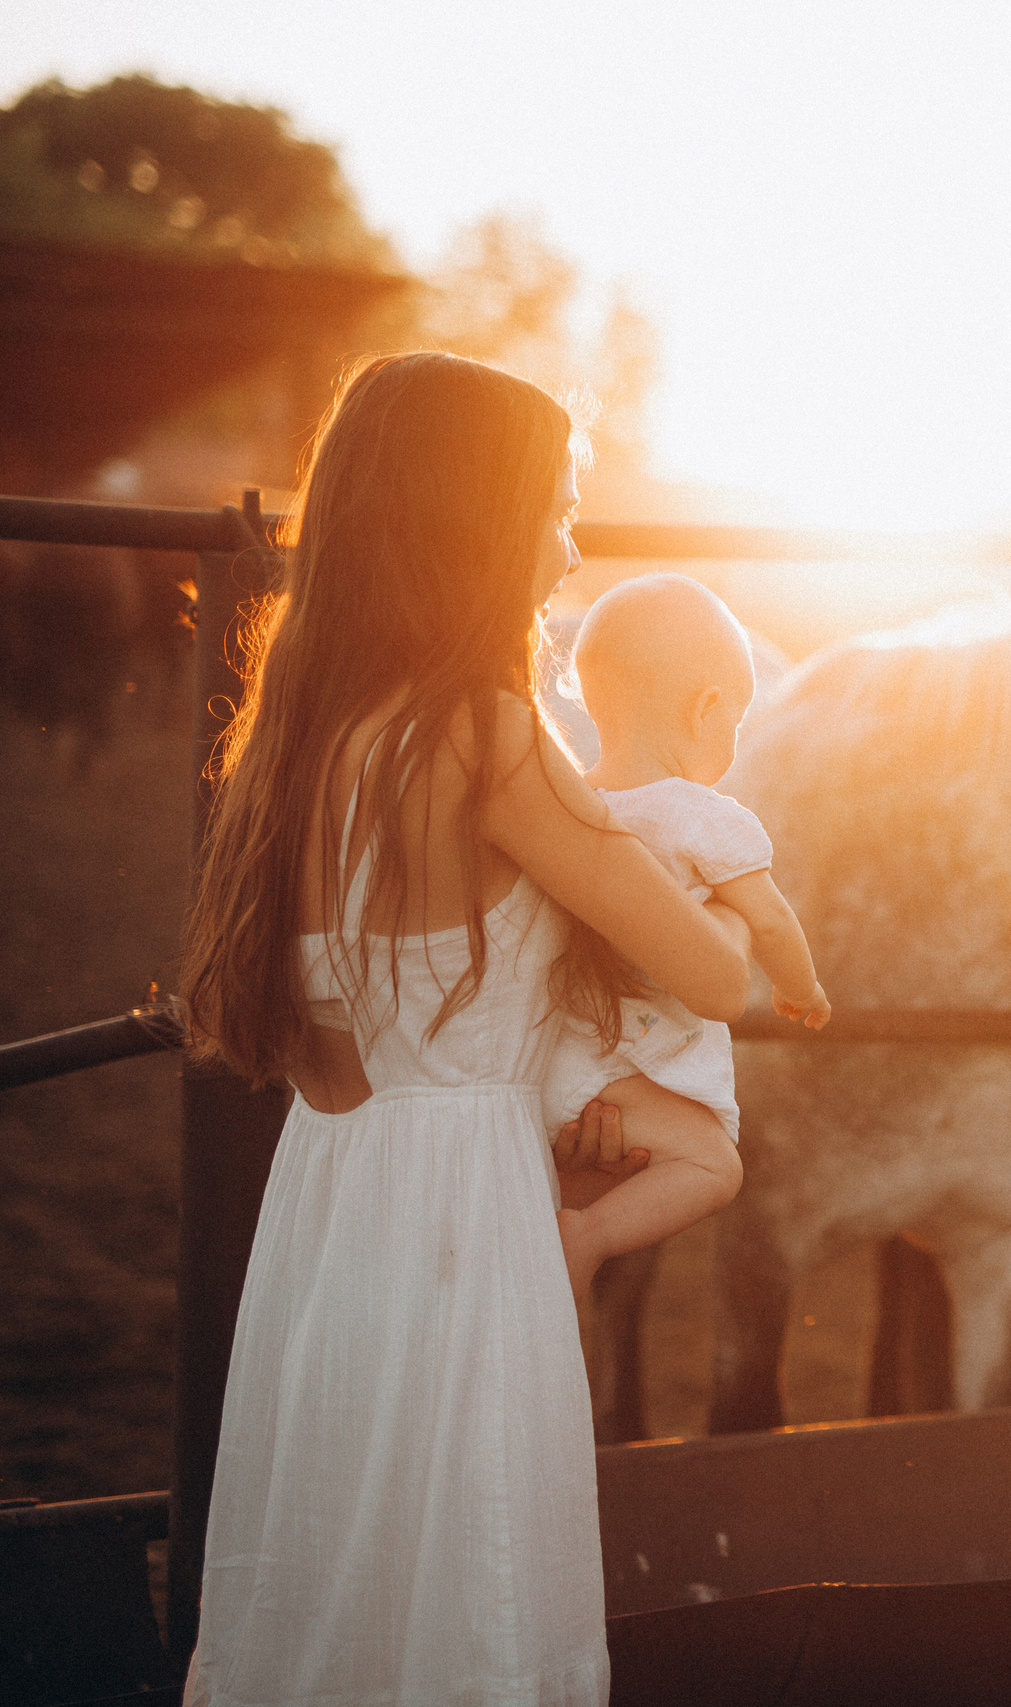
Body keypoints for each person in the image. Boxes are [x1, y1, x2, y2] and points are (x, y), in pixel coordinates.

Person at [176, 352, 754, 1705]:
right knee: (475, 1592)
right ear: (473, 520)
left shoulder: (301, 738)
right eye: (553, 508)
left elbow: (377, 1037)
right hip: (463, 1227)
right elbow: (714, 975)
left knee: (335, 1580)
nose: (568, 545)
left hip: (328, 1212)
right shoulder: (486, 733)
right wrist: (710, 864)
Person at [542, 573, 831, 1296]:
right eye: (734, 721)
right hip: (624, 1077)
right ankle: (590, 1237)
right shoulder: (705, 818)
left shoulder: (569, 801)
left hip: (547, 1068)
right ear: (707, 710)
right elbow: (768, 916)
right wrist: (803, 985)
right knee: (714, 1165)